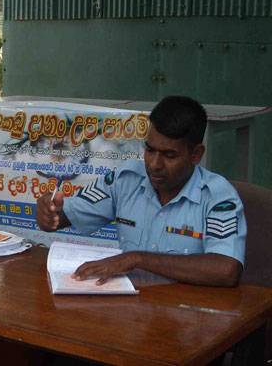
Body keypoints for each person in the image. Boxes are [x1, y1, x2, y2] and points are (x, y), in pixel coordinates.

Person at [36, 95, 246, 287]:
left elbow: (226, 270)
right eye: (150, 150)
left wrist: (137, 259)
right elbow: (64, 217)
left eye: (169, 156)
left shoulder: (217, 197)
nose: (154, 164)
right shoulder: (126, 179)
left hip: (187, 310)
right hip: (130, 305)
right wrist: (49, 212)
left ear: (196, 154)